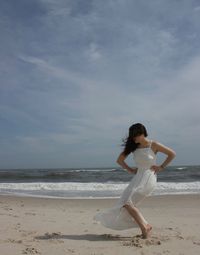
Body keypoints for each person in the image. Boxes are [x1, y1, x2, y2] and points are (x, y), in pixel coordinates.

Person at [94, 123, 176, 238]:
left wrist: (161, 167)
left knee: (128, 203)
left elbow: (172, 154)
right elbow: (120, 160)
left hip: (149, 176)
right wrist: (130, 170)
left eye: (135, 135)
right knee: (125, 204)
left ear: (142, 134)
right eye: (132, 136)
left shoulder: (154, 144)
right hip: (137, 178)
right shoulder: (133, 147)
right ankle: (146, 226)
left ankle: (145, 228)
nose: (133, 138)